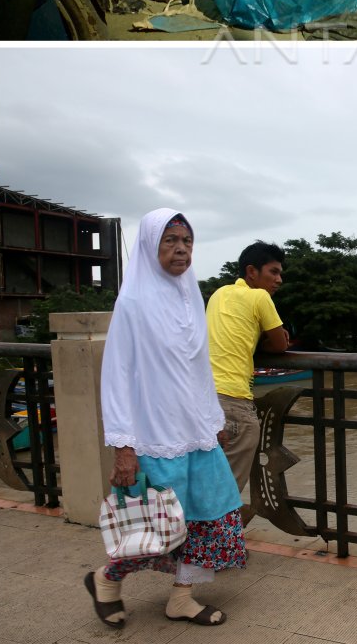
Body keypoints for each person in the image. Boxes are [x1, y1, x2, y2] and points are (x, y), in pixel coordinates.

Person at [86, 208, 245, 629]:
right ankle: (106, 581)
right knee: (156, 528)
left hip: (197, 434)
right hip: (155, 436)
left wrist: (213, 420)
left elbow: (199, 368)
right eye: (170, 241)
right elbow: (116, 376)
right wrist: (123, 445)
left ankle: (182, 598)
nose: (180, 249)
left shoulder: (192, 295)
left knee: (210, 519)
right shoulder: (133, 302)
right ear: (150, 246)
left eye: (187, 241)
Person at [206, 241, 289, 495]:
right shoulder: (259, 297)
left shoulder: (219, 294)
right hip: (233, 402)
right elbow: (280, 345)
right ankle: (217, 536)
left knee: (205, 483)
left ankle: (194, 533)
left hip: (201, 399)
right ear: (252, 272)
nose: (279, 280)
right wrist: (267, 340)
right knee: (225, 494)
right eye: (273, 272)